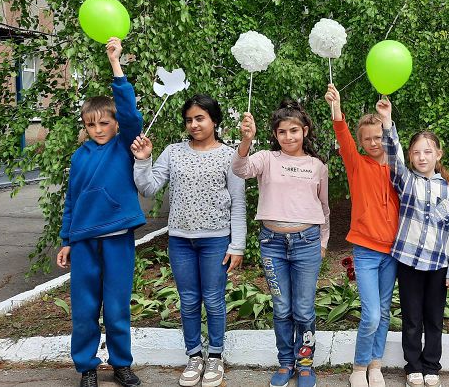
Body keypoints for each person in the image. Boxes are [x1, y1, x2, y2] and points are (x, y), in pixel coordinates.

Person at [131, 94, 246, 387]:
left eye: (200, 118)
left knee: (214, 300)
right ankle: (194, 355)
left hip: (216, 240)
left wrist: (237, 245)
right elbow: (148, 188)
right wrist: (143, 160)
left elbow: (238, 203)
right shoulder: (173, 152)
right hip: (181, 241)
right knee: (189, 300)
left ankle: (215, 356)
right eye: (189, 120)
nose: (194, 125)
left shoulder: (230, 156)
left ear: (214, 121)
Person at [56, 37, 146, 387]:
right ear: (85, 126)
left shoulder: (125, 144)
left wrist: (115, 64)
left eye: (104, 123)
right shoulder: (80, 156)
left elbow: (130, 112)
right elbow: (72, 201)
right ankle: (87, 368)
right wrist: (66, 239)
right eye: (91, 125)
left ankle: (121, 364)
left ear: (115, 124)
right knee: (84, 309)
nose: (98, 130)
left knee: (117, 306)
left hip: (117, 239)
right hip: (83, 243)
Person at [232, 100, 329, 387]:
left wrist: (323, 242)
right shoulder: (266, 158)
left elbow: (324, 208)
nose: (288, 137)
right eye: (282, 131)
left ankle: (305, 364)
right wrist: (246, 141)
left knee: (304, 309)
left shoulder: (317, 166)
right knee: (282, 307)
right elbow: (240, 169)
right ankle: (286, 362)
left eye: (294, 130)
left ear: (304, 131)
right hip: (272, 244)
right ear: (275, 134)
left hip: (307, 243)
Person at [377, 97, 449, 387]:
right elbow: (393, 156)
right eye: (416, 152)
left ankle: (431, 366)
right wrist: (387, 121)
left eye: (428, 152)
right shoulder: (406, 182)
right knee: (412, 318)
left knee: (434, 319)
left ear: (438, 154)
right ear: (411, 156)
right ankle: (413, 366)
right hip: (410, 262)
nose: (422, 157)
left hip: (438, 265)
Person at [325, 84, 399, 387]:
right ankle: (358, 367)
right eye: (367, 139)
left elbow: (394, 143)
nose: (373, 142)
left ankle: (375, 364)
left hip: (392, 251)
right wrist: (336, 109)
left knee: (384, 311)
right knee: (371, 314)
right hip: (366, 251)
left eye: (378, 136)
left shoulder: (396, 166)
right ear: (360, 142)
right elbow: (343, 137)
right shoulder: (357, 164)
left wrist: (388, 120)